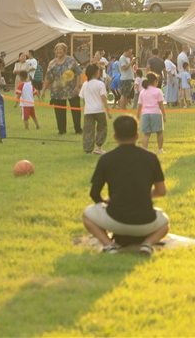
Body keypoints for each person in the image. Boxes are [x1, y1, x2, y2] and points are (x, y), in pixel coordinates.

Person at [82, 115, 169, 256]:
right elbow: (161, 191)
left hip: (114, 219)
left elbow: (94, 194)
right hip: (146, 221)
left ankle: (108, 245)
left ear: (115, 136)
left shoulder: (106, 159)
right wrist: (141, 195)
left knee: (87, 215)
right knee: (165, 223)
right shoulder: (151, 158)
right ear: (137, 135)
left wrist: (106, 203)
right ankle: (147, 244)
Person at [42, 43, 83, 135]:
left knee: (76, 109)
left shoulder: (71, 60)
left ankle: (78, 129)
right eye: (56, 49)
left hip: (72, 89)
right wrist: (43, 90)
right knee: (59, 111)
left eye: (60, 49)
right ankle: (62, 130)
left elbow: (78, 73)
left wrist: (77, 87)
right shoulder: (52, 63)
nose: (58, 51)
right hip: (58, 91)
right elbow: (48, 77)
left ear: (64, 50)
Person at [80, 63, 111, 155]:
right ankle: (98, 147)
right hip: (99, 110)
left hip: (88, 111)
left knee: (88, 130)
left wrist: (87, 106)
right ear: (97, 72)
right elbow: (103, 98)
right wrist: (108, 110)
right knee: (102, 127)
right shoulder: (100, 84)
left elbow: (84, 99)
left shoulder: (85, 84)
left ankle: (88, 150)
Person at [136, 71, 166, 153]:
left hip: (145, 114)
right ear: (154, 81)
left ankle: (144, 150)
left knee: (146, 134)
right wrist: (164, 115)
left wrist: (138, 116)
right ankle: (160, 149)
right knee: (159, 132)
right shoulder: (158, 91)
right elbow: (161, 105)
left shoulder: (142, 92)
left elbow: (139, 106)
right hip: (156, 113)